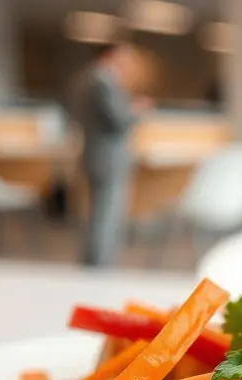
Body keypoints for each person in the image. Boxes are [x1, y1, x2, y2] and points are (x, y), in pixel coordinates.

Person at [71, 41, 151, 267]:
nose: (126, 65)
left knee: (100, 214)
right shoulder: (101, 82)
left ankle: (95, 264)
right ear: (110, 55)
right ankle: (98, 265)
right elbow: (119, 121)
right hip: (108, 158)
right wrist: (137, 110)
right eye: (123, 58)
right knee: (106, 217)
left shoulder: (86, 80)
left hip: (95, 154)